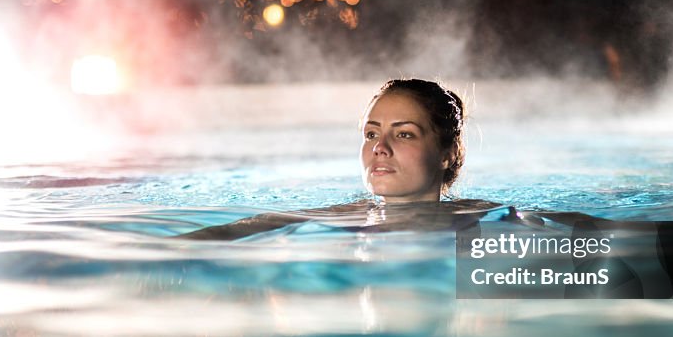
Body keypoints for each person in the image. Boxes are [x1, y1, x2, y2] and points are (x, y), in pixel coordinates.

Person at [179, 78, 597, 240]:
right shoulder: (339, 216)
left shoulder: (493, 218)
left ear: (448, 151)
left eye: (404, 133)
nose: (380, 147)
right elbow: (233, 232)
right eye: (372, 133)